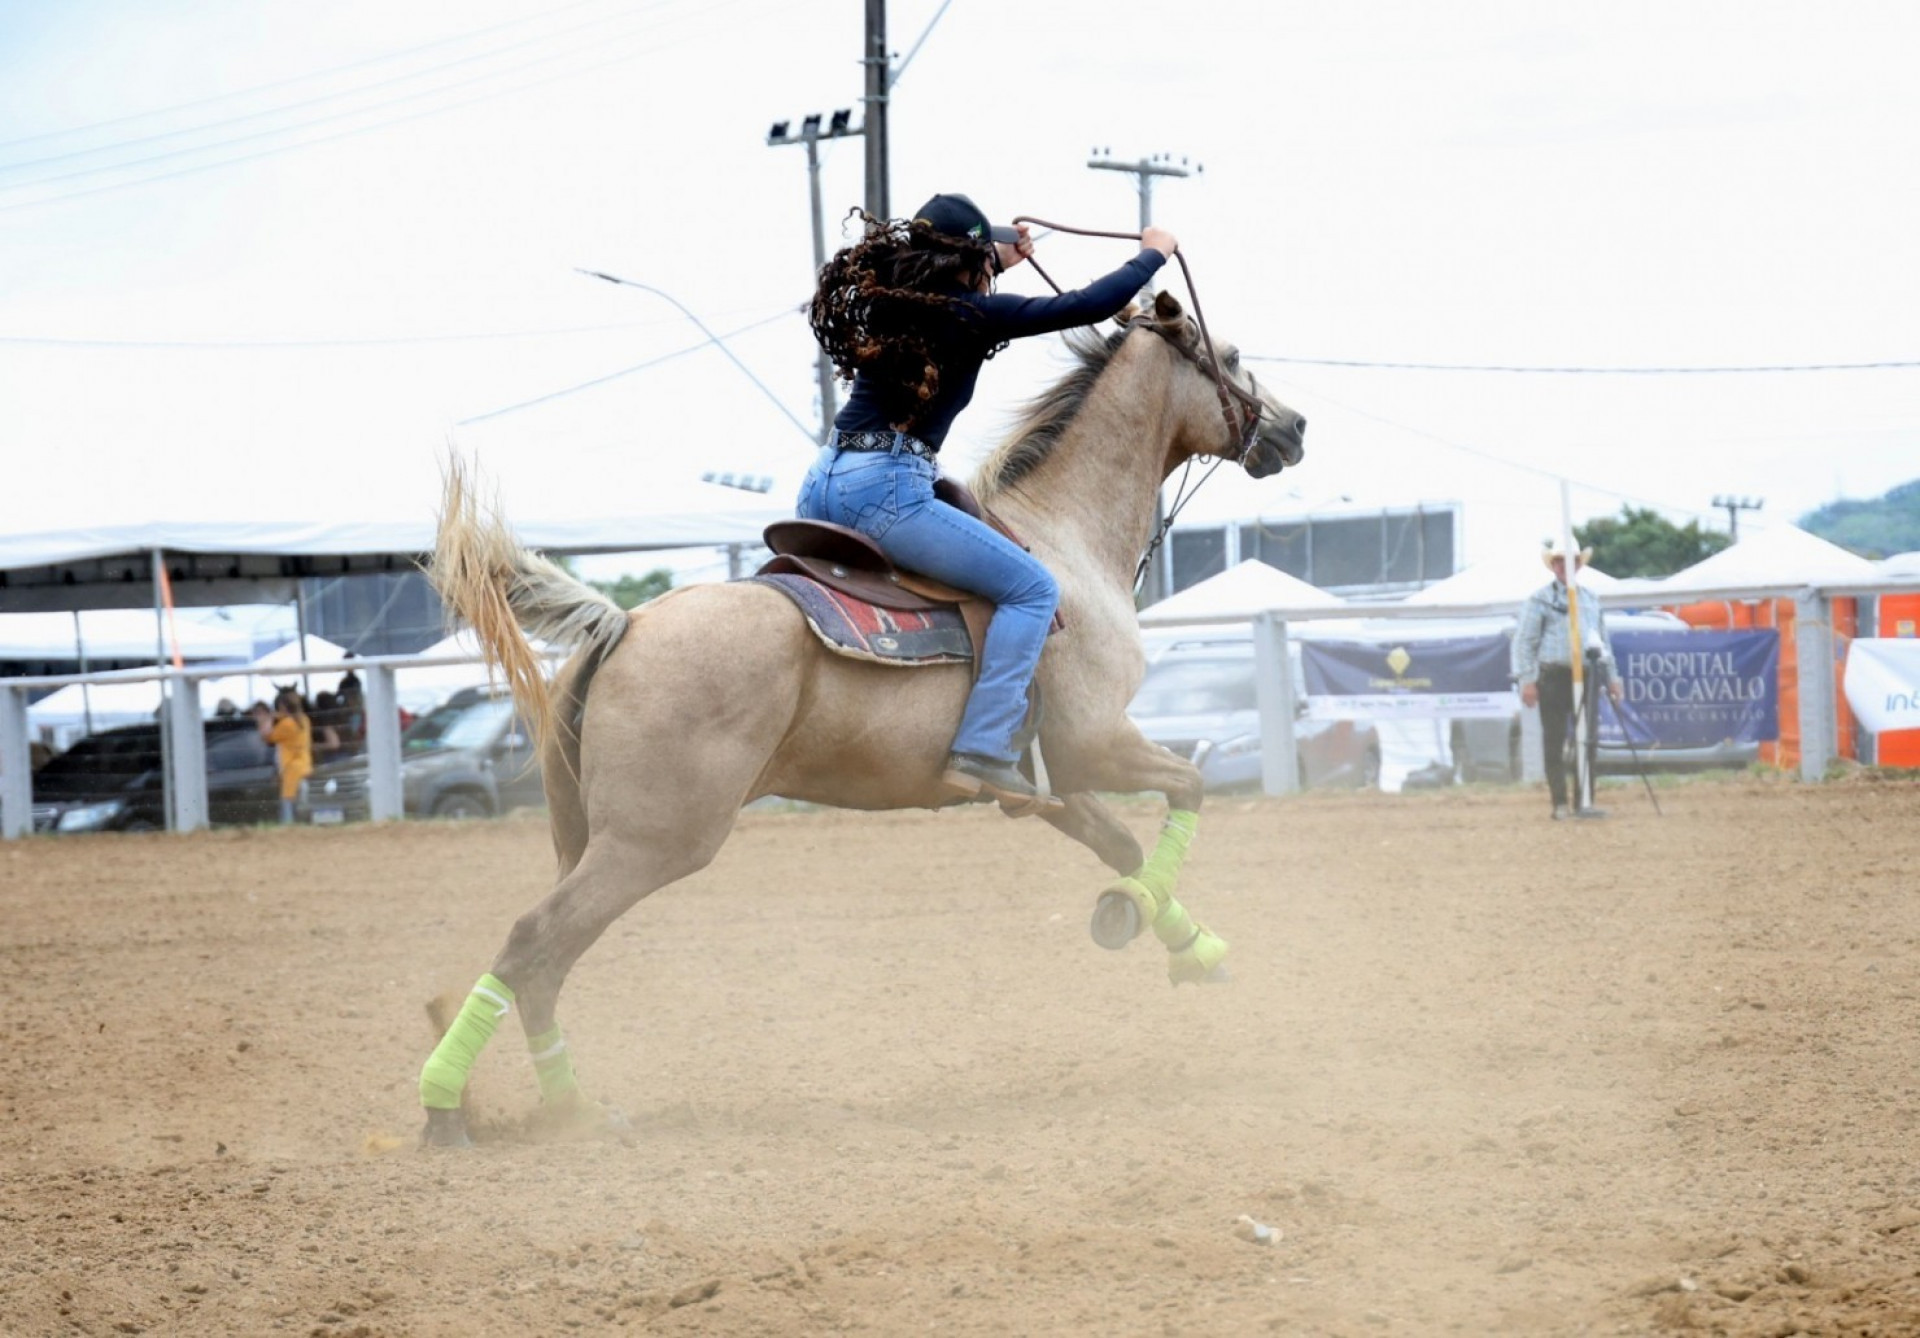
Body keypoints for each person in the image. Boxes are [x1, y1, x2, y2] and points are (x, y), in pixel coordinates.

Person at [799, 192, 1177, 808]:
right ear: (967, 261)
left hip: (823, 481)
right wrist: (1152, 255)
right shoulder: (972, 315)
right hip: (887, 491)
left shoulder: (902, 303)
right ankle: (984, 749)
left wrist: (997, 261)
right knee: (1033, 590)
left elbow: (970, 293)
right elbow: (1087, 305)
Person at [1512, 539, 1622, 820]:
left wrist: (1612, 677)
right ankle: (1560, 802)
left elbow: (1602, 639)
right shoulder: (1540, 599)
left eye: (1571, 561)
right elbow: (1525, 642)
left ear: (1579, 565)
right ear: (1554, 565)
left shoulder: (1591, 599)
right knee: (1555, 740)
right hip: (1553, 675)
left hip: (1587, 672)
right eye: (1560, 561)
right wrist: (1527, 679)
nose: (1565, 566)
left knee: (1588, 740)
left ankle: (1585, 800)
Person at [252, 687, 314, 824]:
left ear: (282, 707)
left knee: (287, 799)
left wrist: (269, 718)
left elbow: (267, 736)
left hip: (291, 766)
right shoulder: (304, 720)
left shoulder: (287, 724)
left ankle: (288, 825)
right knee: (298, 799)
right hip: (304, 764)